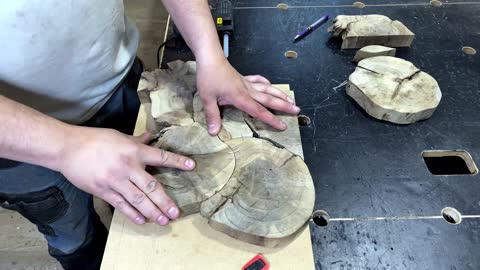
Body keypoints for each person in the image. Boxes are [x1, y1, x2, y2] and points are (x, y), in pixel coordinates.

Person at [0, 1, 300, 269]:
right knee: (74, 236)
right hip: (23, 146)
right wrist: (64, 146)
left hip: (119, 82)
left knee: (132, 189)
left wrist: (210, 53)